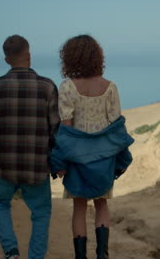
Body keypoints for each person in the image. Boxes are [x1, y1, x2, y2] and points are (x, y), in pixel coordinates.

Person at [0, 35, 60, 259]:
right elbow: (56, 129)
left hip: (5, 165)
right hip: (37, 165)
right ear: (29, 55)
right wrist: (50, 157)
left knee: (0, 202)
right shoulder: (47, 87)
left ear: (6, 60)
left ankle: (11, 252)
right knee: (41, 213)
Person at [50, 35, 133, 259]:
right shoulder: (110, 87)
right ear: (97, 57)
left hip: (77, 157)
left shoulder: (67, 87)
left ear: (69, 58)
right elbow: (116, 127)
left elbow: (65, 131)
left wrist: (60, 161)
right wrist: (120, 157)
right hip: (104, 157)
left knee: (78, 207)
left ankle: (80, 257)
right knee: (102, 205)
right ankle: (102, 255)